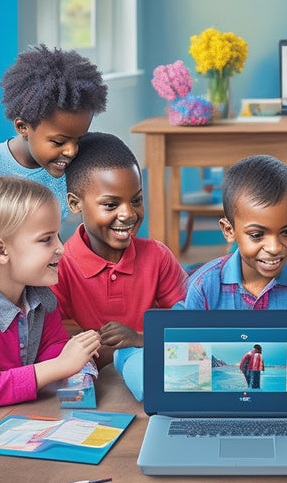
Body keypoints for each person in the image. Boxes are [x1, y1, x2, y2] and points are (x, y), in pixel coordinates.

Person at [51, 132, 187, 370]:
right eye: (111, 205)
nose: (128, 214)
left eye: (136, 200)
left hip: (145, 358)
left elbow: (188, 324)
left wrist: (139, 340)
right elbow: (50, 343)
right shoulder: (59, 265)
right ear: (75, 204)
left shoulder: (158, 256)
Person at [0, 176, 101, 409]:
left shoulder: (40, 296)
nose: (61, 248)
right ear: (1, 251)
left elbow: (52, 345)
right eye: (46, 239)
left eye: (58, 236)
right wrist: (62, 365)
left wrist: (78, 355)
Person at [181, 154, 287, 310]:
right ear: (229, 230)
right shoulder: (204, 288)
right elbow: (192, 337)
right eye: (257, 235)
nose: (274, 248)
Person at [0, 44, 107, 220]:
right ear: (22, 127)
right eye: (59, 142)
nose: (71, 151)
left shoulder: (74, 175)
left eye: (78, 140)